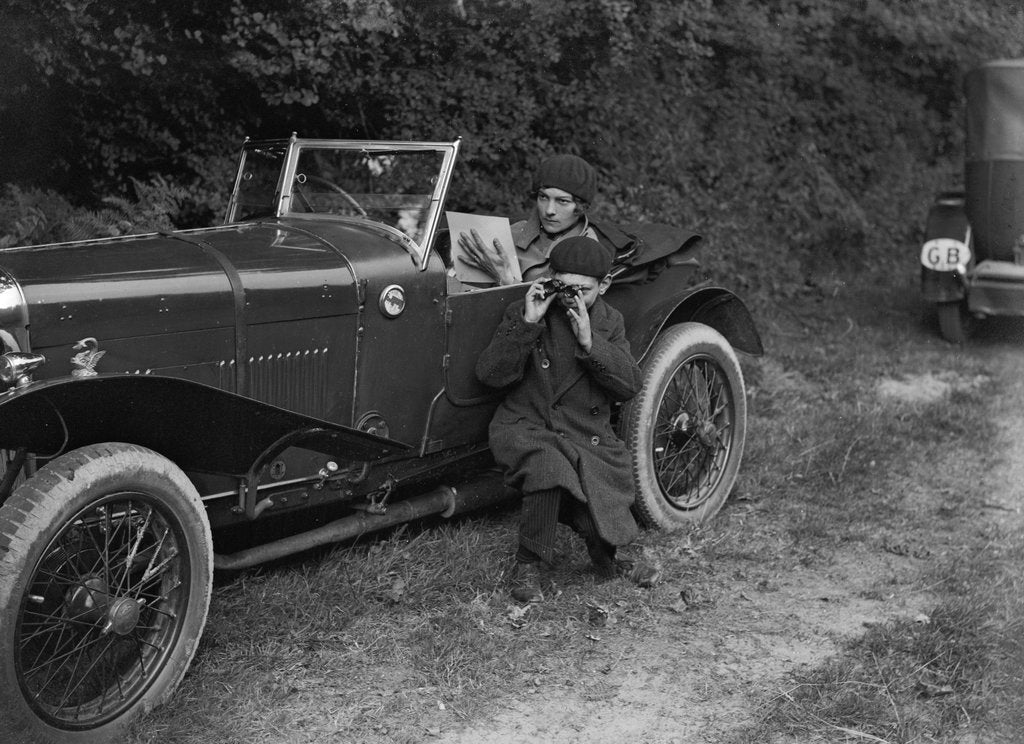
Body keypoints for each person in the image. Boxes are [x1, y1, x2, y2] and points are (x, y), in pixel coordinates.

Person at [475, 235, 661, 603]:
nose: (571, 297)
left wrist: (591, 344)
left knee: (598, 513)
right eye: (564, 286)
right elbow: (491, 375)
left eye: (583, 290)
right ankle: (528, 566)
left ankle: (607, 558)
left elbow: (629, 386)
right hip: (526, 424)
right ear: (550, 277)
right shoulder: (529, 310)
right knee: (548, 468)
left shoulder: (609, 322)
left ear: (604, 285)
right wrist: (528, 323)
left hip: (584, 432)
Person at [457, 154, 638, 285]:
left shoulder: (585, 250)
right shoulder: (513, 231)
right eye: (543, 197)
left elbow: (555, 315)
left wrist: (504, 279)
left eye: (562, 201)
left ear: (580, 206)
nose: (549, 211)